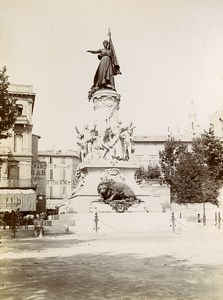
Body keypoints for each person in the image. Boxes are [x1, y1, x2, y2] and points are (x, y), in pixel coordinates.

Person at [87, 31, 121, 99]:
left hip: (108, 62)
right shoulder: (102, 50)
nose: (105, 44)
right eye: (104, 43)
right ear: (103, 44)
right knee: (102, 73)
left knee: (108, 73)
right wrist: (91, 51)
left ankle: (108, 83)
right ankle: (102, 83)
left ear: (107, 44)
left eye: (106, 43)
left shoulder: (110, 51)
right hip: (103, 62)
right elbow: (95, 51)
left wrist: (117, 69)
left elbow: (113, 58)